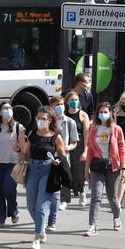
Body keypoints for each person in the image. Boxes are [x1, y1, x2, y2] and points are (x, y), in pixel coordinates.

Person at [24, 106, 66, 249]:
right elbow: (27, 153)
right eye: (38, 118)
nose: (40, 121)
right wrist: (18, 150)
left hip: (48, 170)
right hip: (32, 168)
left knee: (41, 206)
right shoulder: (32, 134)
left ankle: (36, 238)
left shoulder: (56, 136)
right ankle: (41, 228)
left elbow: (62, 157)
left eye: (43, 118)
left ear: (49, 120)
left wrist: (57, 161)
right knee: (30, 204)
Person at [84, 103, 125, 237]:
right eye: (101, 111)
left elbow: (122, 149)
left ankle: (116, 217)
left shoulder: (117, 129)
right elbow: (90, 149)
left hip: (112, 166)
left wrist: (123, 169)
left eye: (106, 111)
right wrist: (86, 169)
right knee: (96, 196)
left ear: (110, 113)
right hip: (97, 166)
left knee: (112, 197)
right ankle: (93, 225)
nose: (103, 114)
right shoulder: (94, 129)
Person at [0, 102, 26, 227]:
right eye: (5, 108)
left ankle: (13, 210)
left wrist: (20, 152)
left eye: (10, 108)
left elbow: (23, 148)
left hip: (12, 162)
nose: (8, 110)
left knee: (8, 188)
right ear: (0, 112)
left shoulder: (18, 127)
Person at [48, 95, 78, 230]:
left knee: (60, 184)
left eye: (61, 104)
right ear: (51, 107)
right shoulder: (47, 122)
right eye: (56, 104)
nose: (60, 106)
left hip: (63, 158)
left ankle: (62, 202)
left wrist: (68, 148)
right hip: (48, 158)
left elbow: (74, 142)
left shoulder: (69, 122)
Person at [63, 91, 90, 206]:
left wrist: (85, 150)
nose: (74, 102)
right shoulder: (64, 115)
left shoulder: (82, 114)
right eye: (72, 100)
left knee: (79, 172)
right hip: (65, 143)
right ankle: (65, 198)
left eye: (76, 99)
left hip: (79, 144)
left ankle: (82, 192)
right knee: (66, 172)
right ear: (67, 102)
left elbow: (86, 134)